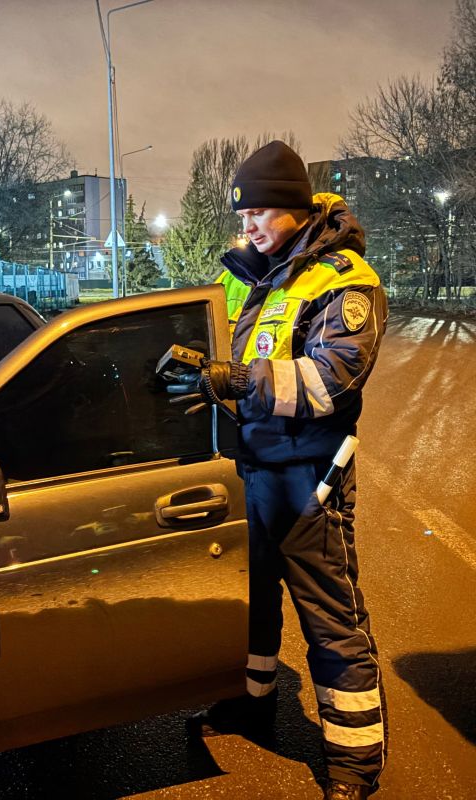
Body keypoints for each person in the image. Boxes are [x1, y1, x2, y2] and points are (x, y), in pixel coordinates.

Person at [185, 141, 388, 800]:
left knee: (331, 621)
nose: (247, 227)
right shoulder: (247, 274)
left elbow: (331, 379)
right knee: (253, 607)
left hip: (310, 476)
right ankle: (253, 704)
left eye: (260, 213)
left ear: (298, 209)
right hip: (251, 469)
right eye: (242, 215)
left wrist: (240, 378)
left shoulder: (344, 278)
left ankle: (355, 763)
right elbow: (221, 356)